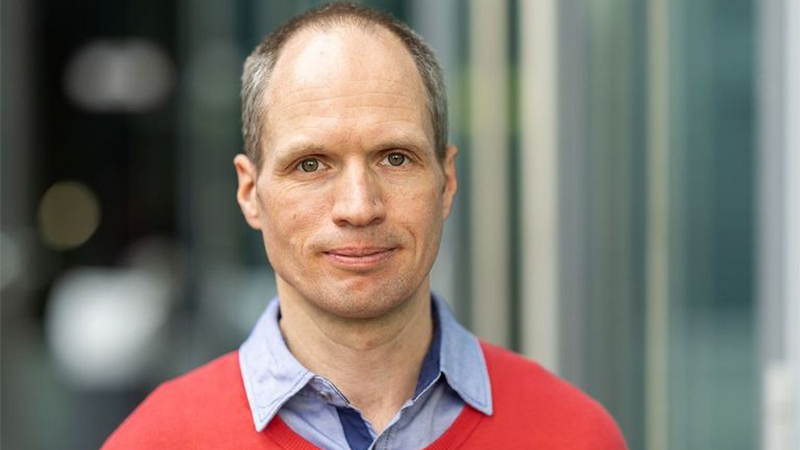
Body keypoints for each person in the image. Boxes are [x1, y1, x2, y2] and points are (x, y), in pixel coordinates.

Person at [101, 3, 627, 450]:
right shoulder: (154, 440)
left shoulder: (575, 434)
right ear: (250, 193)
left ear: (445, 181)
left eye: (395, 158)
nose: (358, 206)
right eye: (311, 164)